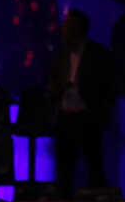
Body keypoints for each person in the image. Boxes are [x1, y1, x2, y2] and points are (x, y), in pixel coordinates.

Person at [46, 10, 118, 192]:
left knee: (94, 168)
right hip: (64, 117)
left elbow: (108, 86)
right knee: (64, 170)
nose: (64, 31)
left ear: (79, 30)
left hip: (88, 118)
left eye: (68, 27)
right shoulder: (60, 54)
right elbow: (53, 79)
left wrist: (99, 110)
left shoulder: (99, 54)